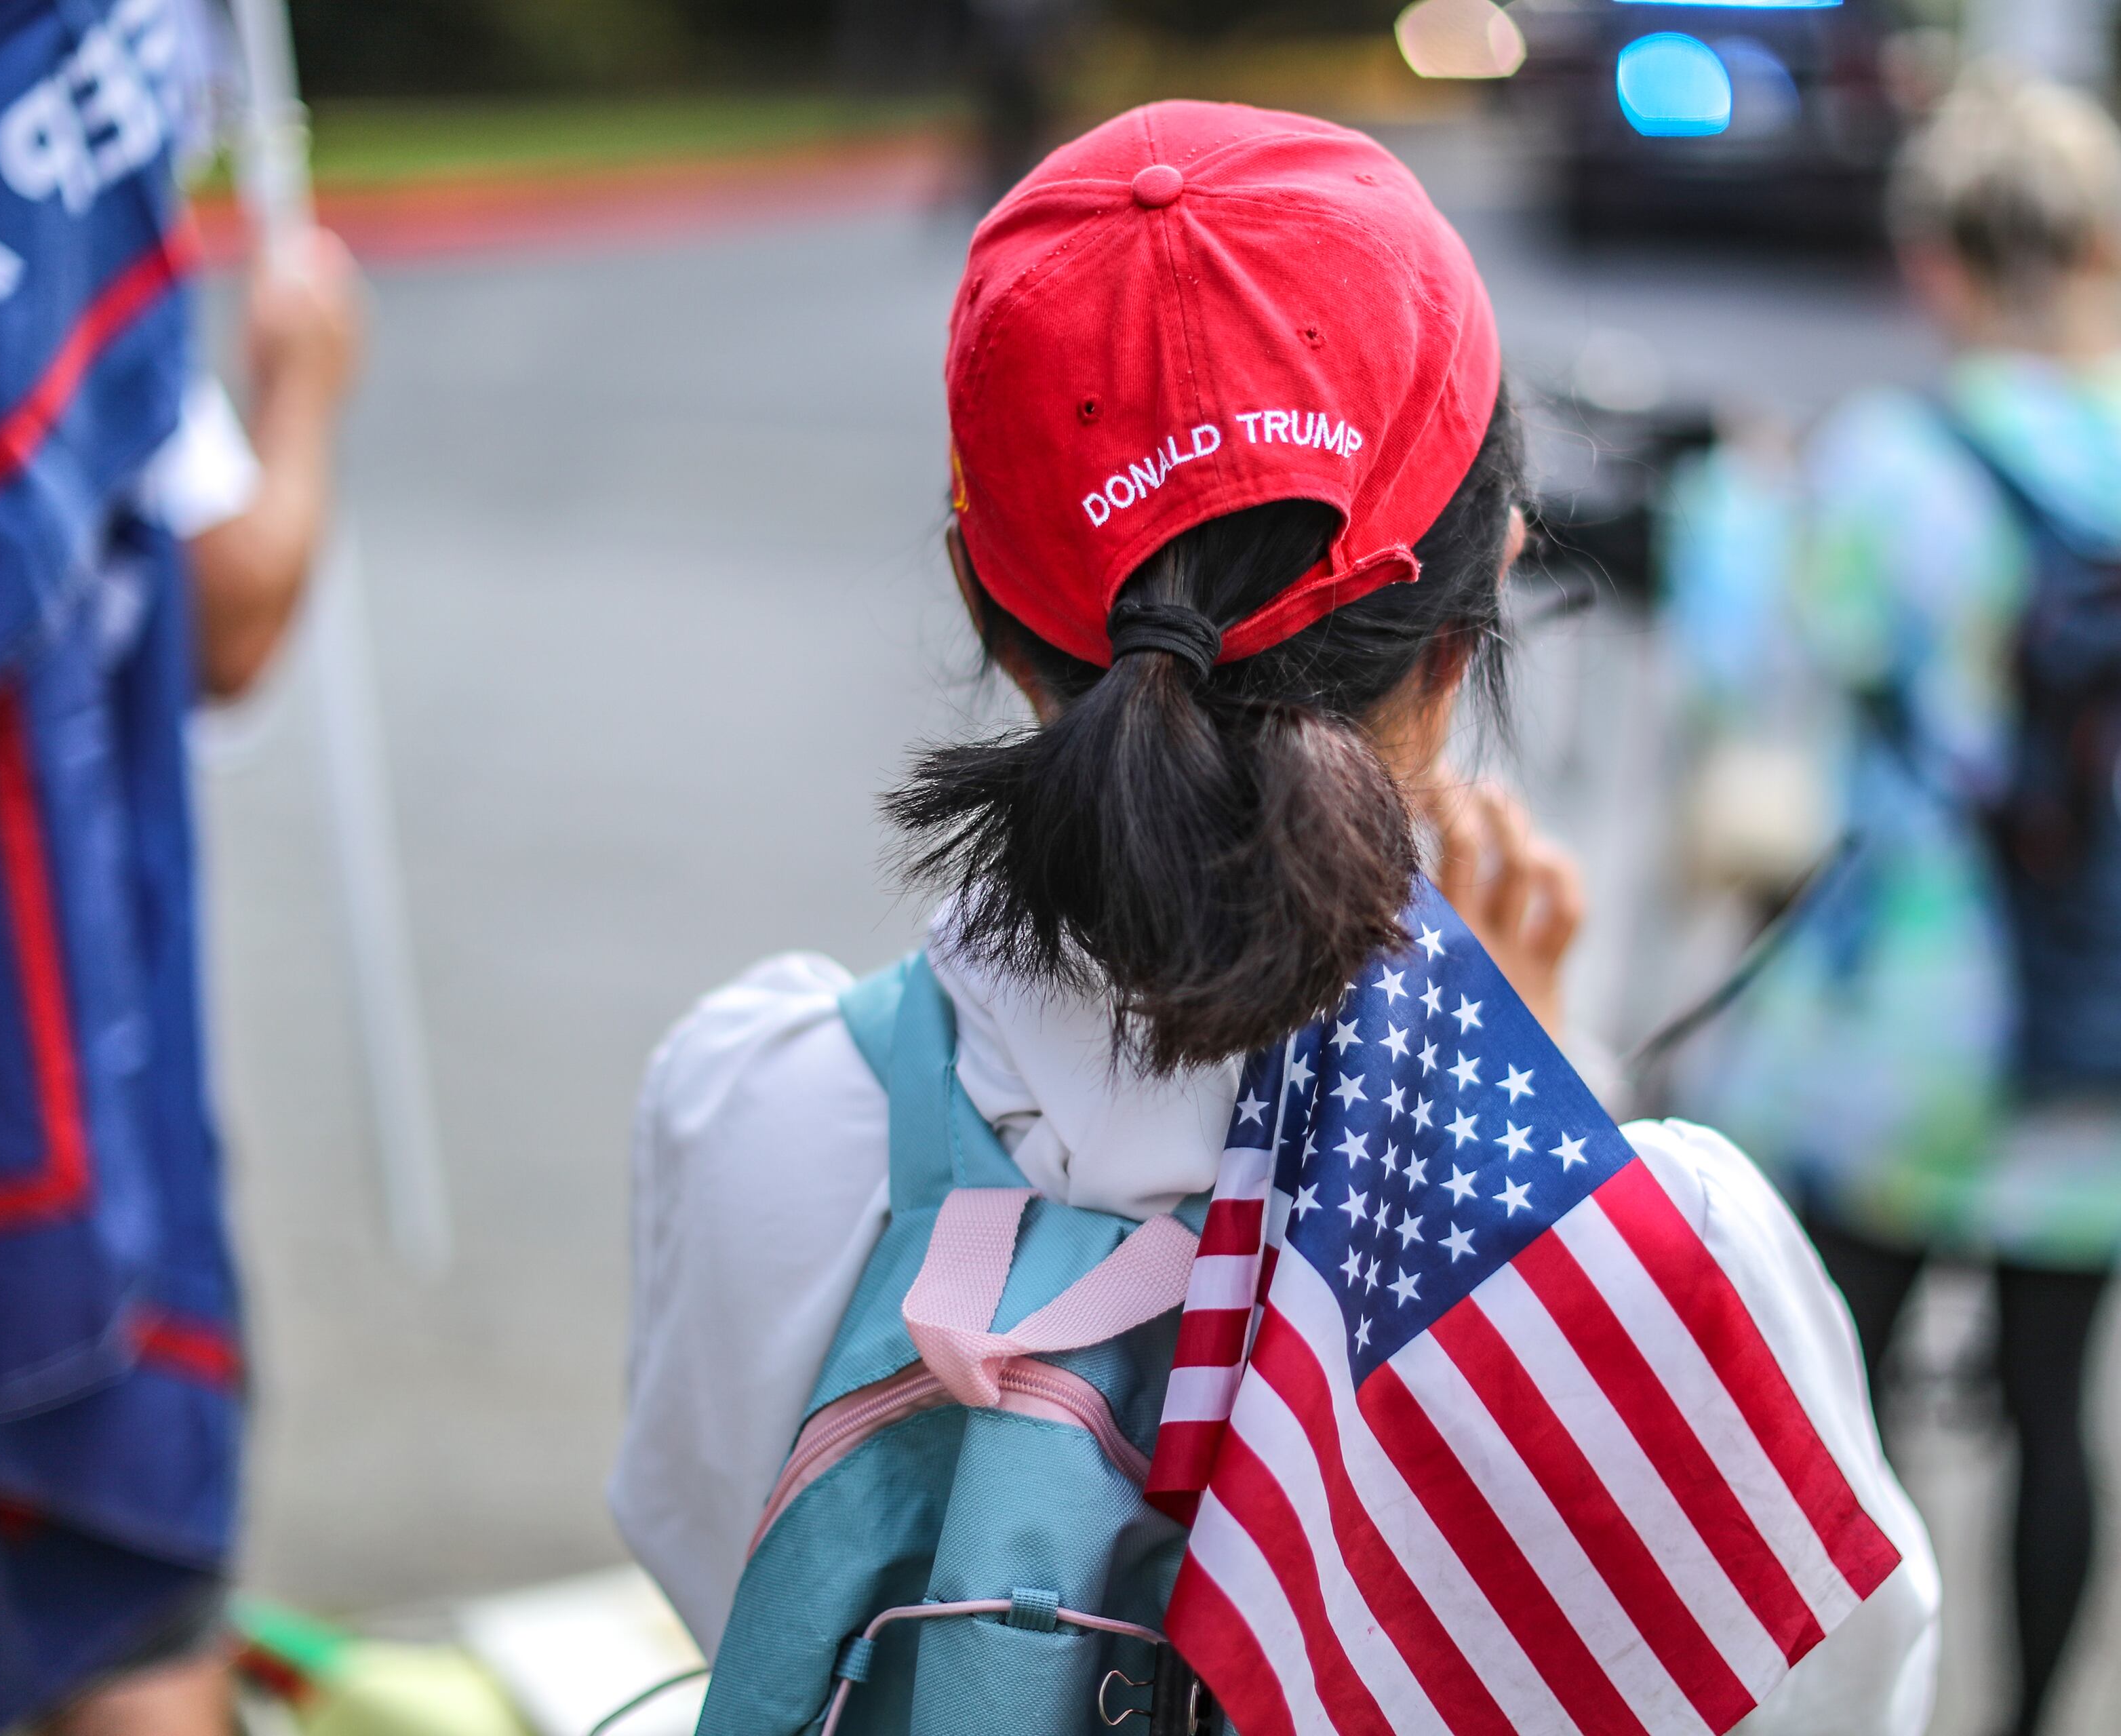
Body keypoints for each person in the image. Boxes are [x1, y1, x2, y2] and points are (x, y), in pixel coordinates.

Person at [612, 100, 1938, 1732]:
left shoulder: (748, 1106)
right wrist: (1535, 1084)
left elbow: (728, 1582)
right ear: (1471, 627)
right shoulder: (1653, 1254)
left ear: (980, 592)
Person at [1661, 69, 2121, 1736]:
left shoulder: (1897, 466)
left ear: (1939, 263)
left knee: (1846, 1416)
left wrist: (1733, 500)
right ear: (2111, 249)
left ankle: (1851, 1704)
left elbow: (1764, 668)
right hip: (2118, 1012)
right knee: (2057, 1407)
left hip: (1901, 1038)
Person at [0, 3, 363, 1730]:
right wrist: (300, 386)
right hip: (42, 1101)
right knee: (125, 1638)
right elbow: (234, 606)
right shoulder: (52, 153)